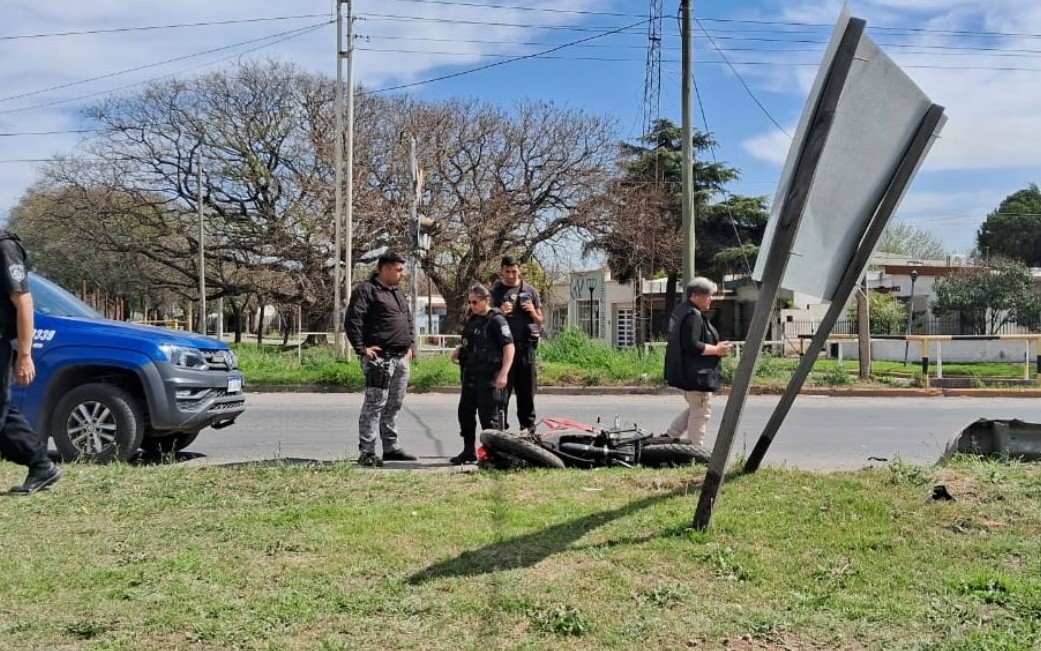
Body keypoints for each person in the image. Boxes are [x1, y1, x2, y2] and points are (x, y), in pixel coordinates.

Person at [0, 230, 61, 495]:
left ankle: (40, 464)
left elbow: (24, 301)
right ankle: (41, 464)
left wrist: (25, 355)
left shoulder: (4, 247)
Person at [344, 251, 417, 467]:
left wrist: (410, 345)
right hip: (380, 359)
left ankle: (391, 447)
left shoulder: (397, 293)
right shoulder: (367, 291)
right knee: (375, 404)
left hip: (401, 358)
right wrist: (361, 348)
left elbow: (408, 320)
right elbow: (353, 320)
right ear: (384, 269)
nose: (403, 274)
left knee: (394, 404)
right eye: (399, 269)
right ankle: (367, 451)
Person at [663, 277, 733, 447]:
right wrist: (716, 350)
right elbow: (692, 344)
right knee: (701, 412)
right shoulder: (693, 315)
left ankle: (669, 435)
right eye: (708, 295)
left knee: (696, 408)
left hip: (687, 374)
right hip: (697, 376)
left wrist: (716, 347)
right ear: (695, 296)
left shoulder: (683, 311)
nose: (711, 298)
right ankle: (695, 450)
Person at [449, 284, 515, 464]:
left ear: (486, 300)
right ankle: (468, 451)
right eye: (470, 302)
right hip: (470, 375)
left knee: (489, 418)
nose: (472, 305)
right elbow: (468, 342)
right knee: (465, 415)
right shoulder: (473, 319)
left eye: (475, 302)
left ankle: (492, 455)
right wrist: (459, 350)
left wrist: (504, 373)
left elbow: (509, 347)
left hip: (490, 377)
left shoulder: (497, 320)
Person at [490, 256, 543, 433]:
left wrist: (533, 312)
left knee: (527, 394)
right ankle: (499, 432)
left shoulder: (530, 290)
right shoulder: (495, 291)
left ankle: (528, 431)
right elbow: (487, 319)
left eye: (514, 271)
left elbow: (540, 321)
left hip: (525, 349)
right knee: (500, 396)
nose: (511, 275)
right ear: (502, 271)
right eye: (507, 271)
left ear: (519, 270)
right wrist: (499, 312)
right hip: (503, 350)